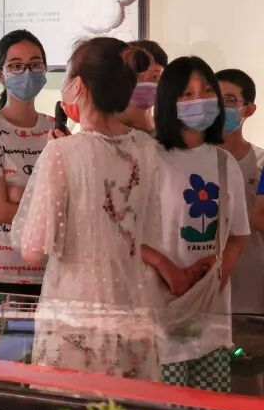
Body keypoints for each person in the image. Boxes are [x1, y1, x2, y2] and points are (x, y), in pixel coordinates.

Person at [12, 38, 195, 381]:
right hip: (134, 304)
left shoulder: (61, 152)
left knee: (72, 408)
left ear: (78, 85)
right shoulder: (147, 148)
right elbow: (150, 233)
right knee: (127, 409)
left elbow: (33, 251)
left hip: (75, 307)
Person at [156, 56, 248, 392]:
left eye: (207, 90)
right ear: (169, 100)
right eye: (187, 93)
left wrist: (214, 282)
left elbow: (237, 236)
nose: (200, 99)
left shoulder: (225, 163)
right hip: (161, 313)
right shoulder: (149, 157)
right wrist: (167, 270)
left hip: (212, 320)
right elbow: (128, 235)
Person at [0, 30, 53, 294]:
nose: (27, 72)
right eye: (16, 66)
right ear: (0, 75)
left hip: (50, 268)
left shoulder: (55, 130)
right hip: (3, 268)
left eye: (35, 64)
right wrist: (43, 201)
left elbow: (68, 201)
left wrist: (19, 194)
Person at [215, 69, 264, 316]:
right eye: (215, 99)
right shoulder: (189, 162)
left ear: (249, 109)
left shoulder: (262, 162)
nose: (220, 108)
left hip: (253, 295)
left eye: (230, 100)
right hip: (203, 295)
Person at [117, 43, 158, 134]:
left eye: (155, 76)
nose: (146, 80)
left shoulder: (165, 130)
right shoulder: (107, 132)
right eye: (138, 75)